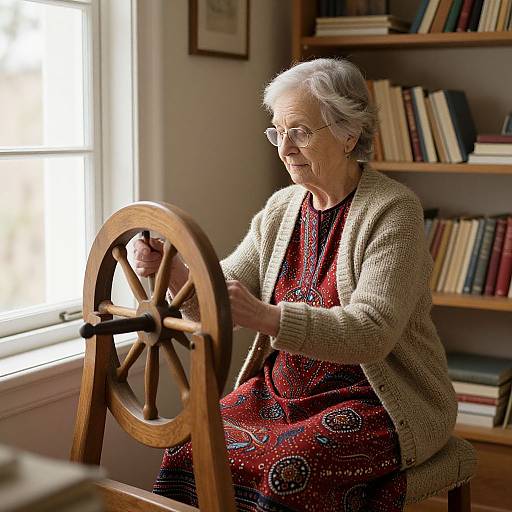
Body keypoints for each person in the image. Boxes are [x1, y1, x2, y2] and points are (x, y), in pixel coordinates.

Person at [134, 58, 457, 512]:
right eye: (277, 131)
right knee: (189, 449)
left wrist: (267, 317)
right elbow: (219, 293)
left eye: (300, 131)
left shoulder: (394, 212)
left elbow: (373, 333)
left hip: (375, 398)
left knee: (289, 471)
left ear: (348, 133)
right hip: (280, 391)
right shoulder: (282, 207)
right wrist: (175, 273)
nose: (284, 147)